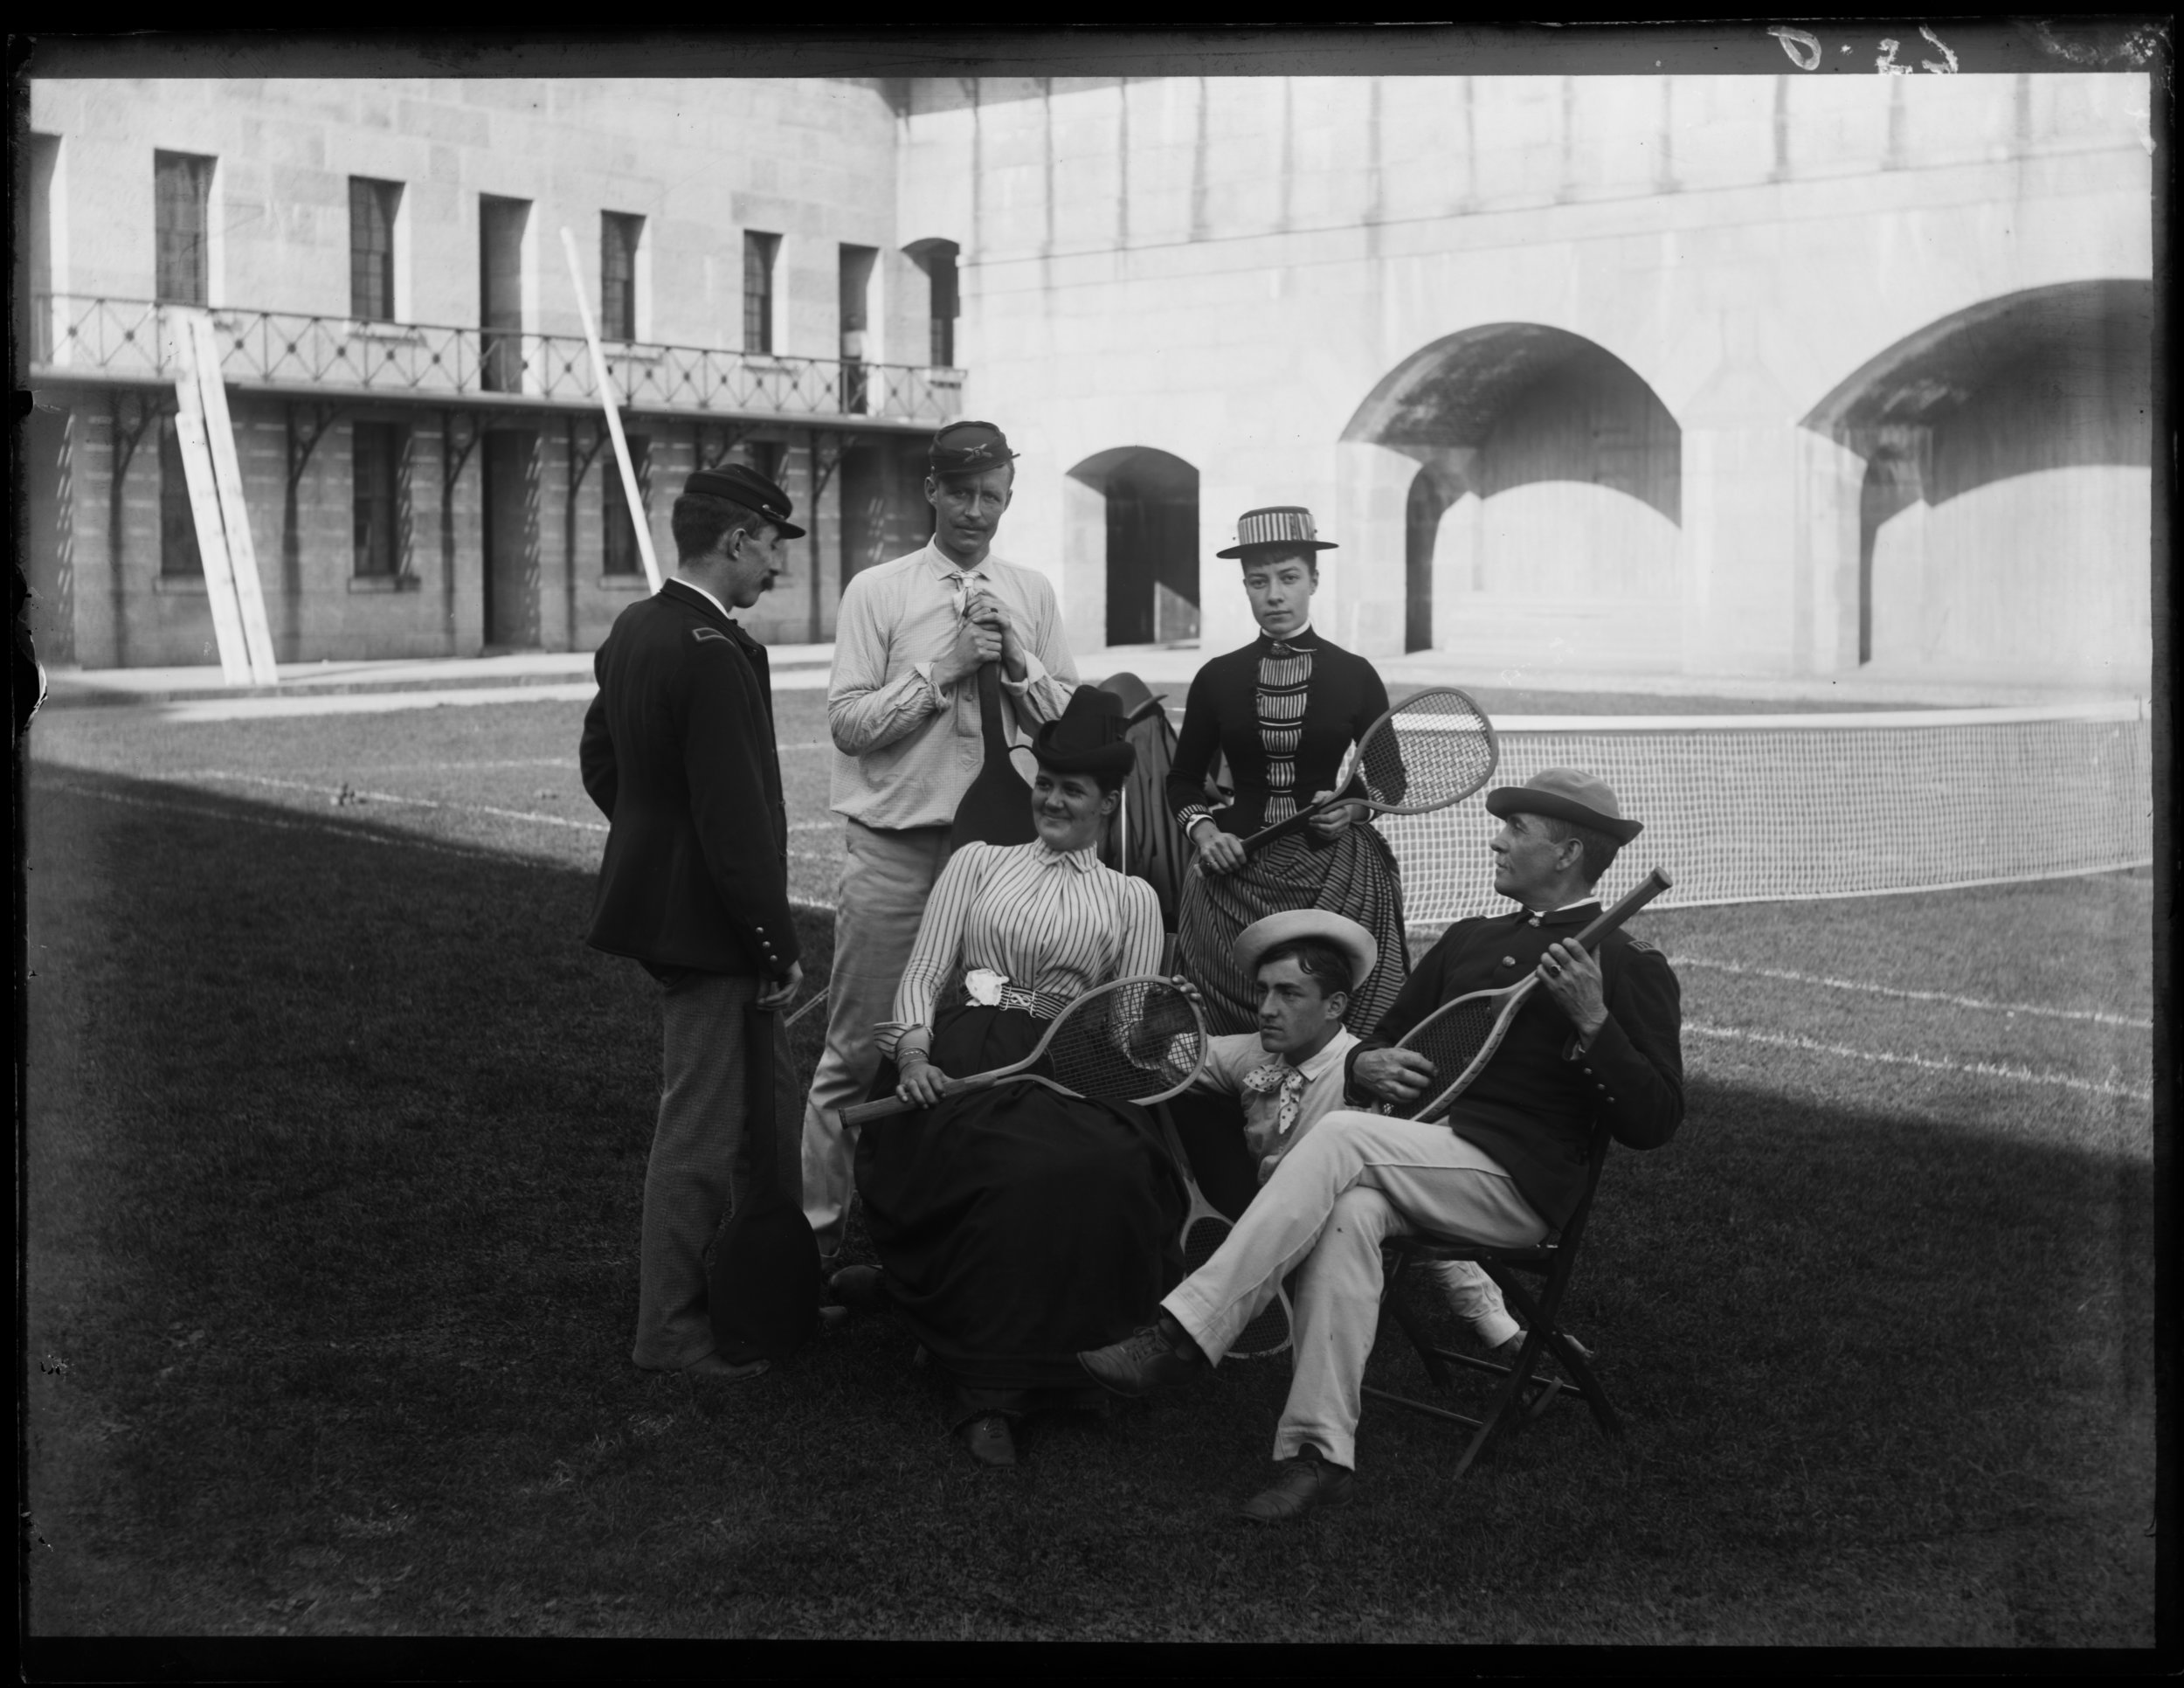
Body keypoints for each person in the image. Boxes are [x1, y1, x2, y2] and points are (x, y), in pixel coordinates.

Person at [1078, 769, 1683, 1523]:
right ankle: (1319, 1455)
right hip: (1422, 1158)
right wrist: (1367, 1061)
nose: (1497, 839)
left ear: (1566, 853)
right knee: (1348, 1216)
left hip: (1518, 1190)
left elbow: (1654, 1121)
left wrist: (1594, 1021)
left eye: (1517, 830)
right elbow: (1388, 1036)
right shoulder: (1471, 940)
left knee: (1341, 1136)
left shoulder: (1627, 966)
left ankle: (1181, 1334)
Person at [833, 688, 1183, 1468]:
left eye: (1073, 789)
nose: (1053, 800)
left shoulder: (1135, 899)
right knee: (1008, 1167)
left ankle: (1071, 1373)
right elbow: (925, 973)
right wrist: (915, 1057)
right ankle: (985, 1390)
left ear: (1108, 803)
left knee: (1114, 1167)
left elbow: (1124, 1032)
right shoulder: (977, 862)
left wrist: (1157, 1023)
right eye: (1047, 783)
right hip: (964, 1051)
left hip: (1067, 1068)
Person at [800, 420, 1079, 1263]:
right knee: (857, 1056)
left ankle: (945, 1250)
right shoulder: (877, 591)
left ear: (1008, 497)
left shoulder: (1030, 589)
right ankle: (810, 1249)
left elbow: (1073, 730)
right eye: (959, 492)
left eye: (990, 495)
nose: (974, 510)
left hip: (1000, 866)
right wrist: (944, 667)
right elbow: (850, 725)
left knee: (981, 1046)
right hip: (897, 852)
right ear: (930, 492)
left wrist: (1021, 658)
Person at [579, 464, 808, 1382]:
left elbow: (604, 764)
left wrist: (652, 841)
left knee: (766, 1119)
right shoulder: (711, 650)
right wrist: (773, 942)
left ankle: (765, 1290)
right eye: (771, 550)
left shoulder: (638, 626)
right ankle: (669, 1329)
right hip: (713, 929)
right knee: (705, 1132)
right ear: (737, 540)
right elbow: (735, 822)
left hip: (684, 912)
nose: (777, 571)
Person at [1174, 910, 1525, 1361]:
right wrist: (1169, 1016)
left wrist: (1492, 1322)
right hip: (1269, 1236)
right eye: (1262, 991)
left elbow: (1427, 1202)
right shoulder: (1252, 1055)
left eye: (1288, 994)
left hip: (1347, 1245)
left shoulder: (1376, 1082)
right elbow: (1171, 1059)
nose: (1266, 1009)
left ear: (1335, 1005)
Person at [1168, 507, 1410, 1041]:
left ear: (1314, 581)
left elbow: (1391, 783)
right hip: (1231, 877)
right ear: (1246, 587)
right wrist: (1206, 833)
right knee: (1225, 1043)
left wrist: (1351, 808)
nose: (1273, 594)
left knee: (1344, 1031)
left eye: (1288, 578)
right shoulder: (1216, 677)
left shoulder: (1356, 674)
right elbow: (1182, 780)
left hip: (1338, 876)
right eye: (1258, 581)